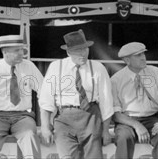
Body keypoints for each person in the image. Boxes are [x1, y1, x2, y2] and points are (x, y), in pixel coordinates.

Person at [39, 29, 114, 159]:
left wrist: (106, 130)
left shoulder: (98, 68)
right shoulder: (56, 67)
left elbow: (106, 101)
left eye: (85, 49)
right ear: (68, 52)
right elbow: (46, 99)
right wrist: (45, 127)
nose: (83, 54)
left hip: (91, 117)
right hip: (64, 118)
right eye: (77, 50)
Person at [0, 35, 44, 158]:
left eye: (22, 49)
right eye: (17, 50)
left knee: (30, 136)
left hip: (23, 116)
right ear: (5, 52)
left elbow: (44, 92)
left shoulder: (29, 67)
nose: (21, 53)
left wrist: (47, 123)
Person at [111, 42, 158, 159]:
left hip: (152, 118)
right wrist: (137, 125)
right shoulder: (116, 80)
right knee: (124, 137)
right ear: (127, 60)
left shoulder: (155, 72)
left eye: (143, 54)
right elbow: (116, 115)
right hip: (127, 120)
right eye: (138, 55)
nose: (143, 57)